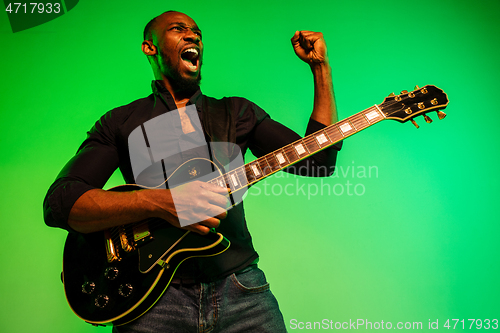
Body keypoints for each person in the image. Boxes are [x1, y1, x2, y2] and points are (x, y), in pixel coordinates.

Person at [44, 10, 342, 333]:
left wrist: (320, 68)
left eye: (197, 32)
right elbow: (60, 203)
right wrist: (163, 203)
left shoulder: (235, 112)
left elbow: (319, 162)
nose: (193, 35)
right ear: (150, 48)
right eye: (178, 29)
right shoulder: (121, 122)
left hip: (241, 292)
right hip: (152, 301)